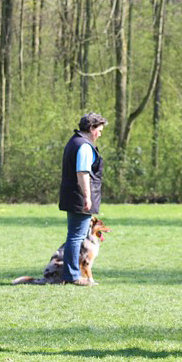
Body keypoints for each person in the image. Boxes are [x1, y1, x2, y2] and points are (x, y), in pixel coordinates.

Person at [58, 112, 107, 286]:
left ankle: (72, 273)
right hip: (79, 196)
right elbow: (82, 172)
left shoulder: (74, 141)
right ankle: (72, 275)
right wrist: (87, 197)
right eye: (99, 130)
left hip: (72, 195)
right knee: (76, 237)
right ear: (91, 128)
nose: (100, 134)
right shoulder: (84, 146)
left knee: (74, 236)